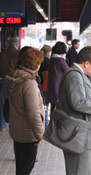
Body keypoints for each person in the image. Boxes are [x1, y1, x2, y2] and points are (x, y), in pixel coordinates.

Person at [58, 46, 91, 175]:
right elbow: (78, 103)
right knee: (80, 171)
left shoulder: (76, 74)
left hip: (79, 135)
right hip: (79, 136)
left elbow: (79, 100)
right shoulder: (75, 76)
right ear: (86, 63)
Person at [5, 47, 44, 175]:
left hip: (17, 130)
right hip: (28, 133)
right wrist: (39, 134)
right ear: (34, 64)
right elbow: (33, 112)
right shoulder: (29, 83)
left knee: (21, 166)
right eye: (39, 62)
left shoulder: (15, 76)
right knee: (25, 168)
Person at [0, 37, 19, 132]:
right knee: (15, 102)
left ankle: (2, 125)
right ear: (16, 44)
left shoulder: (2, 53)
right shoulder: (18, 54)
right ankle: (14, 124)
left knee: (2, 102)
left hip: (3, 80)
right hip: (15, 80)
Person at [46, 42, 69, 116]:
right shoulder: (60, 61)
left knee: (53, 107)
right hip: (58, 87)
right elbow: (69, 71)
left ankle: (52, 123)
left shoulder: (52, 59)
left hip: (51, 85)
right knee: (59, 108)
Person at [39, 45, 52, 127]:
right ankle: (45, 125)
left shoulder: (40, 59)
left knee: (42, 104)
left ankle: (43, 123)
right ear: (48, 52)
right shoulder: (47, 60)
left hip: (39, 84)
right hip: (45, 85)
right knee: (45, 105)